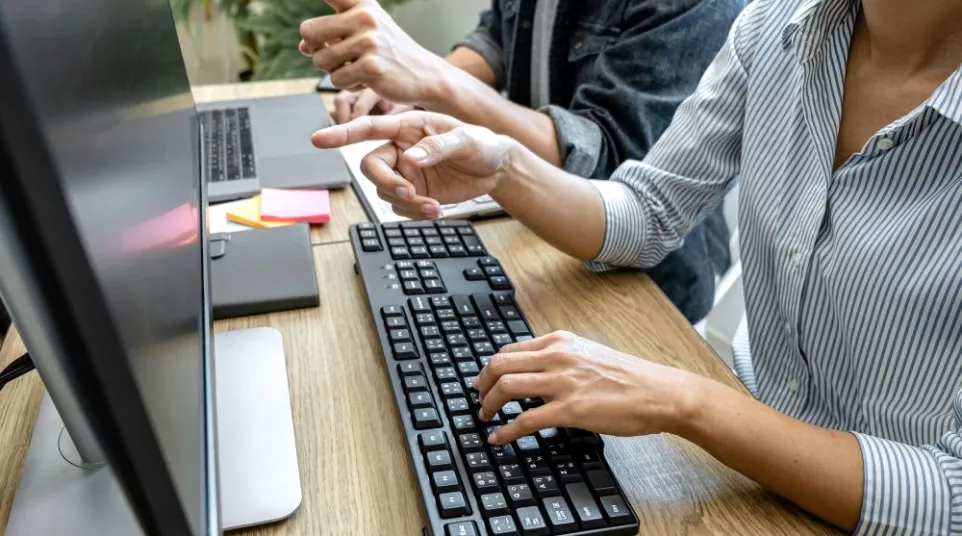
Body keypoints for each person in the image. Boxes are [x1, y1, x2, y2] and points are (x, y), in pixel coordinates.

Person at [313, 0, 962, 532]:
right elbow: (649, 213)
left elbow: (950, 495)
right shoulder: (776, 28)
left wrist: (682, 400)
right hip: (748, 473)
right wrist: (503, 166)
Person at [299, 0, 747, 323]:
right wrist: (412, 87)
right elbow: (496, 37)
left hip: (640, 290)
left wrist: (437, 80)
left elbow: (609, 161)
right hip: (526, 234)